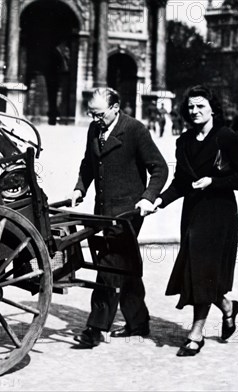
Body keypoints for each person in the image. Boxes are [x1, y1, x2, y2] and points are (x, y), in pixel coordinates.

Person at [153, 85, 238, 356]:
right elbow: (181, 183)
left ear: (212, 108)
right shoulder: (184, 141)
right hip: (193, 212)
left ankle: (195, 334)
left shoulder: (228, 138)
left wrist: (215, 181)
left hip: (219, 213)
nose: (195, 111)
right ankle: (226, 307)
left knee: (202, 270)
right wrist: (159, 201)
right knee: (199, 270)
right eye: (190, 107)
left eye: (200, 106)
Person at [71, 87, 169, 347]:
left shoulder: (134, 129)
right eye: (91, 114)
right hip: (103, 208)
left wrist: (148, 198)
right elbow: (89, 163)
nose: (95, 119)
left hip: (128, 210)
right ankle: (138, 321)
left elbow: (159, 168)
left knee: (109, 262)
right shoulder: (95, 129)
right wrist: (80, 188)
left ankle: (95, 327)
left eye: (99, 114)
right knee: (124, 263)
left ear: (115, 108)